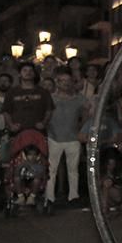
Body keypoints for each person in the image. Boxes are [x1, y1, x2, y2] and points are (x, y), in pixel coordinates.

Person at [44, 68, 86, 207]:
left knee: (73, 170)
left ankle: (73, 196)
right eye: (63, 81)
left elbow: (88, 114)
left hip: (73, 138)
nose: (66, 84)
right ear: (57, 82)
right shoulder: (50, 98)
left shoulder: (78, 98)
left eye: (69, 81)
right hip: (53, 137)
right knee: (52, 169)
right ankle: (49, 197)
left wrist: (82, 130)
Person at [3, 63, 53, 134]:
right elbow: (6, 111)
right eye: (25, 70)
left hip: (38, 131)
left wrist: (43, 123)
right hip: (17, 132)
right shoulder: (11, 92)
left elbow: (49, 110)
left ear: (34, 74)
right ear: (19, 74)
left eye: (30, 71)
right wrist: (11, 125)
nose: (28, 73)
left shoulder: (43, 92)